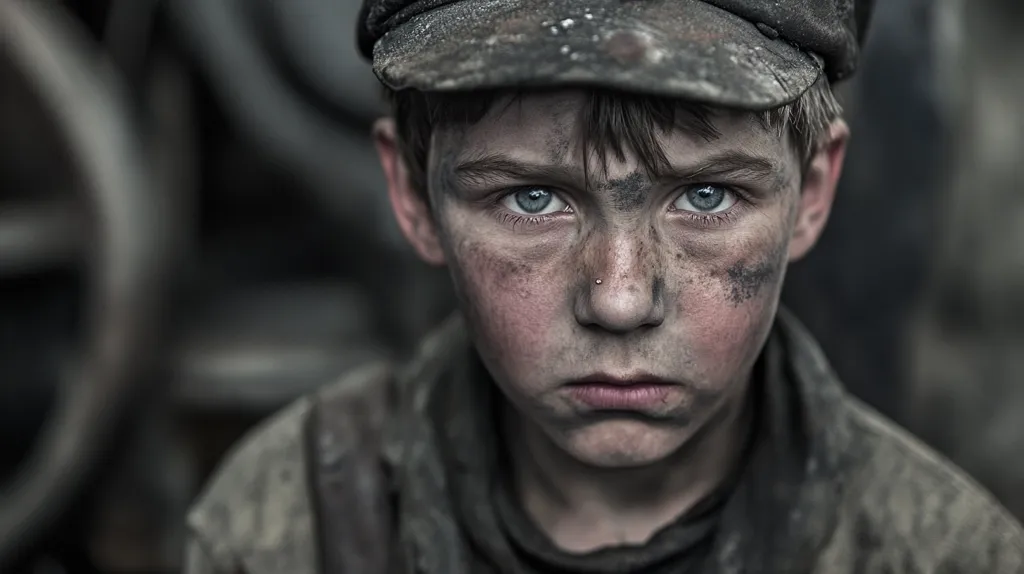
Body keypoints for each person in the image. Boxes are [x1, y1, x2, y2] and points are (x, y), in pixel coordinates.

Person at [182, 0, 1024, 572]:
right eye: (532, 198)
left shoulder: (943, 554)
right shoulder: (290, 529)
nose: (620, 300)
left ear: (810, 192)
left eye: (706, 196)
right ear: (412, 194)